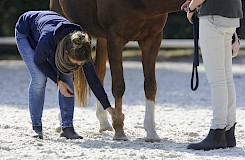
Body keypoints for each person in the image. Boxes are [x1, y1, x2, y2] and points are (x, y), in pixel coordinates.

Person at [15, 10, 115, 140]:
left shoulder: (82, 45)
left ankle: (67, 128)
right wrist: (58, 82)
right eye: (76, 63)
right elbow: (38, 60)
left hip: (48, 33)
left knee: (67, 75)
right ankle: (36, 127)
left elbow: (93, 79)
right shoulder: (48, 40)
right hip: (26, 31)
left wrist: (108, 107)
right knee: (39, 78)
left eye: (81, 64)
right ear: (67, 53)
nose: (78, 66)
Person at [181, 0, 243, 150]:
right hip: (231, 16)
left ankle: (217, 131)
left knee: (217, 80)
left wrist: (191, 7)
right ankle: (228, 131)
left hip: (213, 17)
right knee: (226, 78)